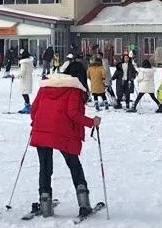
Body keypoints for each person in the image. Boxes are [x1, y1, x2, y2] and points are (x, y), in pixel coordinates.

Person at [27, 60, 100, 217]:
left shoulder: (47, 85)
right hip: (64, 132)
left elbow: (34, 109)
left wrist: (36, 122)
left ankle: (45, 204)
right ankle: (84, 203)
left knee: (45, 167)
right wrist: (91, 122)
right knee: (74, 165)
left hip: (42, 129)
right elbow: (73, 114)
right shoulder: (74, 89)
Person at [16, 49, 35, 114]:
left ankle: (28, 106)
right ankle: (28, 105)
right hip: (28, 78)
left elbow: (23, 72)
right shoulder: (30, 62)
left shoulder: (24, 63)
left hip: (24, 79)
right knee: (25, 92)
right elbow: (31, 70)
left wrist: (17, 75)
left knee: (24, 92)